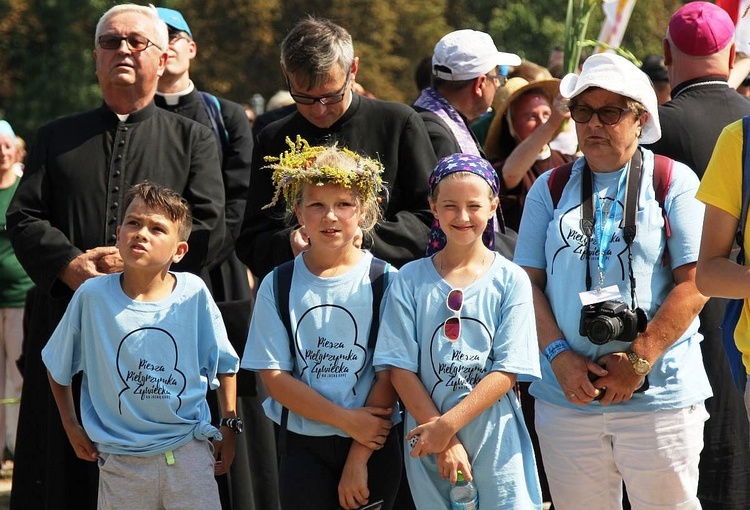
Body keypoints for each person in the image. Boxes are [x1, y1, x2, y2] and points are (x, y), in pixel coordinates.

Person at [6, 4, 225, 509]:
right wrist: (70, 265)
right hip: (69, 314)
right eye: (110, 42)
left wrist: (141, 273)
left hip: (159, 332)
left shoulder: (192, 137)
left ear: (161, 55)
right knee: (63, 473)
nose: (122, 50)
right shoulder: (55, 136)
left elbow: (212, 224)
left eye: (135, 41)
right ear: (96, 59)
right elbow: (24, 217)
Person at [514, 53, 710, 510]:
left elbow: (697, 282)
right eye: (583, 111)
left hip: (659, 395)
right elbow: (526, 282)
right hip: (567, 398)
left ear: (641, 119)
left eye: (610, 112)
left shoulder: (671, 180)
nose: (593, 124)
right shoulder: (551, 186)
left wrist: (639, 358)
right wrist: (559, 357)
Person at [43, 182, 239, 510]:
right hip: (121, 464)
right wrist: (71, 425)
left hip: (189, 453)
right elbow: (57, 364)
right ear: (118, 234)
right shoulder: (91, 297)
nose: (141, 233)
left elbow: (224, 362)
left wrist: (230, 426)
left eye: (157, 228)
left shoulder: (194, 293)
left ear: (180, 250)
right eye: (133, 223)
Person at [153, 8, 278, 509]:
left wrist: (190, 260)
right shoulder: (129, 121)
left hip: (216, 273)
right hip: (148, 279)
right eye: (153, 41)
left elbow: (239, 200)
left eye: (174, 38)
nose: (165, 49)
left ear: (191, 48)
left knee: (234, 390)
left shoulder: (224, 116)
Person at [374, 153, 543, 509]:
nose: (462, 217)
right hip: (427, 437)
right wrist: (442, 437)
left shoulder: (510, 279)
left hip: (494, 439)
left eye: (474, 205)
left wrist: (447, 426)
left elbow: (507, 370)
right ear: (433, 208)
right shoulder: (409, 280)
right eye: (450, 206)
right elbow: (399, 367)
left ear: (494, 205)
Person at [242, 139, 401, 510]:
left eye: (343, 204)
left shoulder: (386, 281)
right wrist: (346, 419)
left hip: (372, 445)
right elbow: (276, 378)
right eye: (317, 205)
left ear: (363, 210)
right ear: (299, 212)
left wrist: (358, 458)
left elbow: (390, 374)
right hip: (302, 444)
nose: (330, 216)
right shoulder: (278, 283)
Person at [643, 4, 750, 508]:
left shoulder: (656, 127)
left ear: (667, 55)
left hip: (688, 314)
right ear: (732, 56)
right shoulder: (742, 125)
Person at [236, 16, 437, 279]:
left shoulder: (398, 124)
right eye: (304, 97)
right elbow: (252, 240)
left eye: (331, 96)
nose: (319, 110)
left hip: (387, 287)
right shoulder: (273, 138)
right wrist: (290, 242)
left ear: (353, 70)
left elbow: (430, 217)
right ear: (286, 73)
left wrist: (361, 237)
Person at [413, 29, 520, 160]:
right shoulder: (439, 139)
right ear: (480, 84)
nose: (497, 85)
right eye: (495, 77)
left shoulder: (420, 117)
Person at [484, 76, 573, 231]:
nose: (542, 122)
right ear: (512, 125)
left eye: (546, 114)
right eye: (531, 117)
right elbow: (510, 175)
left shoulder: (568, 162)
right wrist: (553, 122)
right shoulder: (499, 167)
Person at [0, 120, 31, 464]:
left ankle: (20, 451)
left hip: (21, 298)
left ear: (16, 150)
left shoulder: (24, 188)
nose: (1, 153)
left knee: (20, 380)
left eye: (6, 146)